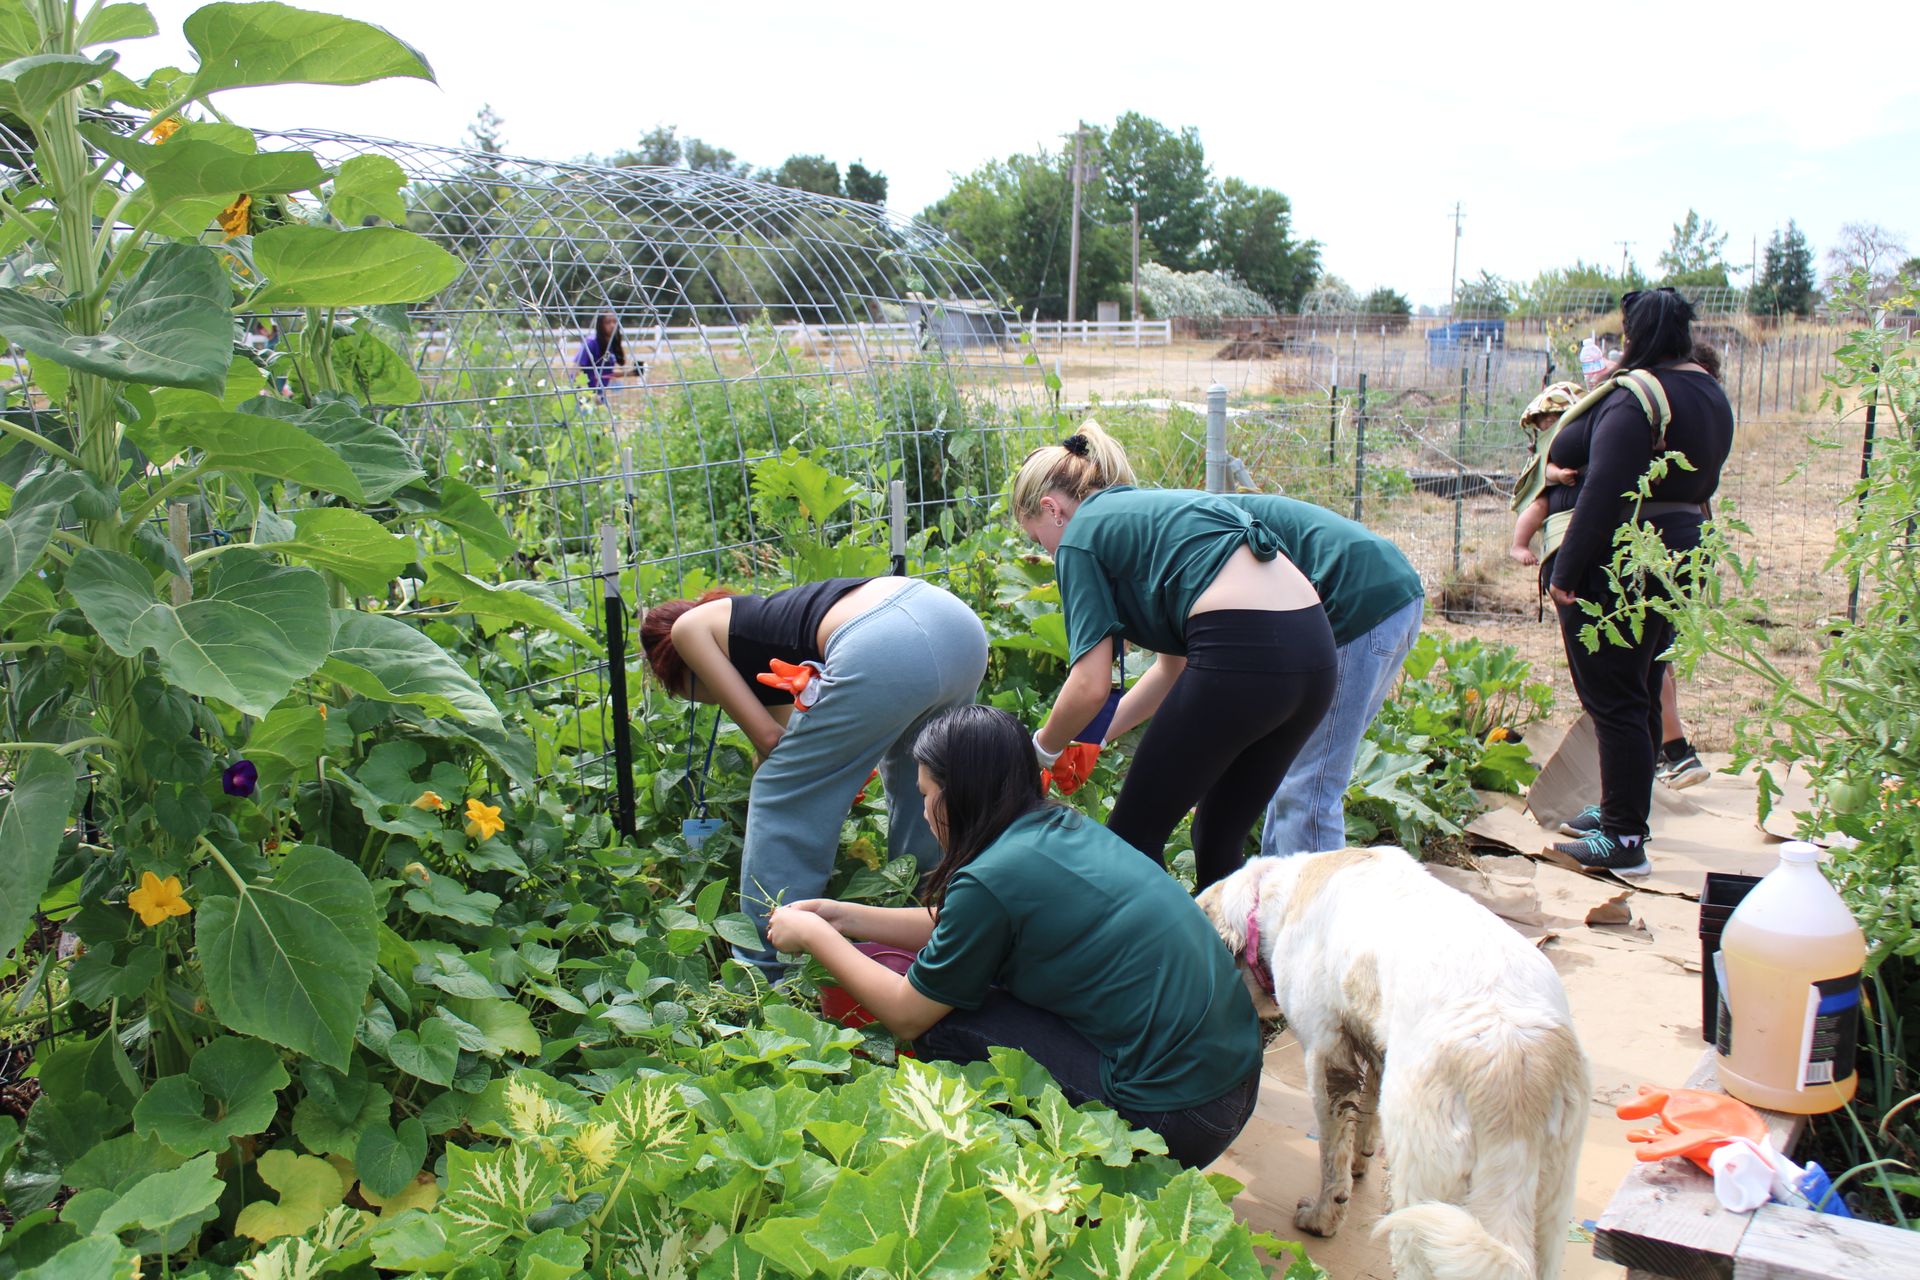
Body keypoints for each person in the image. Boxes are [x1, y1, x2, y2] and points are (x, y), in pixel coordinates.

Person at [764, 705, 1263, 1168]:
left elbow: (907, 1015)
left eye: (924, 794)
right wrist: (843, 917)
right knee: (970, 977)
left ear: (958, 794)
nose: (921, 811)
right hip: (1230, 1085)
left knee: (946, 1020)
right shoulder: (1053, 829)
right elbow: (966, 922)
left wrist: (812, 935)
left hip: (1174, 1120)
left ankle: (1037, 1165)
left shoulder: (992, 880)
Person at [1013, 421, 1336, 890]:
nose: (1043, 550)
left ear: (1052, 508)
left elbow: (1090, 685)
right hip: (1312, 652)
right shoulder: (1148, 511)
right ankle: (1227, 961)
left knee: (1131, 839)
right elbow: (1172, 670)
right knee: (1216, 836)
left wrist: (1040, 752)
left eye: (1035, 537)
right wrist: (1094, 737)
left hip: (1244, 651)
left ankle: (1153, 961)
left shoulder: (1080, 535)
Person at [641, 577, 988, 971]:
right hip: (955, 626)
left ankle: (767, 967)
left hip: (886, 641)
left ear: (678, 672)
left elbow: (775, 749)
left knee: (781, 795)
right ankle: (930, 925)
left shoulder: (689, 630)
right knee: (920, 784)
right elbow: (791, 745)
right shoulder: (756, 631)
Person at [1546, 289, 1733, 876]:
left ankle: (1625, 841)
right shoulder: (1708, 392)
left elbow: (1604, 491)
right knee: (1644, 684)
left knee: (1614, 694)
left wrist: (1569, 569)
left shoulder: (1639, 398)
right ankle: (1624, 810)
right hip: (1683, 548)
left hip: (1628, 557)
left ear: (1637, 333)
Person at [1216, 493, 1426, 856]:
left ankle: (1320, 911)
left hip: (1358, 603)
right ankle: (1278, 902)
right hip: (1387, 592)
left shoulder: (1188, 536)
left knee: (1309, 788)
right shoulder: (1181, 521)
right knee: (1288, 771)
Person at [575, 312, 626, 400]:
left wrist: (632, 373)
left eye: (615, 322)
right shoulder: (591, 343)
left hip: (600, 394)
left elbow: (605, 373)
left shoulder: (610, 345)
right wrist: (586, 393)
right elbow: (575, 369)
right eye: (608, 322)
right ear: (600, 325)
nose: (612, 325)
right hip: (586, 397)